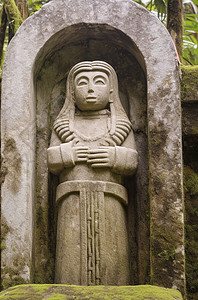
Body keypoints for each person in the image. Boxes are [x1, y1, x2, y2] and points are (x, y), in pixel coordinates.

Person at [47, 61, 137, 285]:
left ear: (111, 90)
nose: (90, 89)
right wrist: (70, 154)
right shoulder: (64, 125)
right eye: (82, 82)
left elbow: (133, 161)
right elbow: (52, 161)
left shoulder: (119, 125)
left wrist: (114, 157)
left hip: (111, 197)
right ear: (71, 91)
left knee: (113, 252)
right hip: (72, 197)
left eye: (98, 82)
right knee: (70, 252)